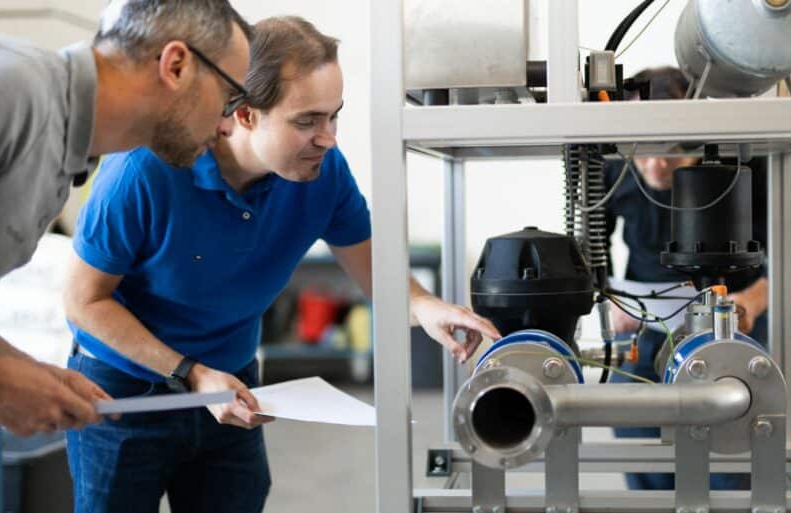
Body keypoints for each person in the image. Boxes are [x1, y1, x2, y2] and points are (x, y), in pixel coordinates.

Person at [62, 16, 501, 513]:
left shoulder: (323, 173)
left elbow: (373, 268)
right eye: (307, 121)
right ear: (244, 114)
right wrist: (191, 373)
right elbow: (82, 300)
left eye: (334, 115)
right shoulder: (144, 171)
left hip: (232, 383)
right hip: (128, 388)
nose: (328, 138)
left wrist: (424, 307)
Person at [0, 0, 252, 437]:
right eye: (229, 96)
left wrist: (24, 371)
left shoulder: (67, 154)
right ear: (176, 65)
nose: (227, 126)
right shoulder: (9, 88)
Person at [603, 67, 791, 490]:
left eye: (674, 149)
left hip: (736, 313)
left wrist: (754, 300)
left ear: (700, 135)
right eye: (644, 150)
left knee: (737, 430)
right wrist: (609, 299)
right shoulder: (613, 169)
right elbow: (589, 245)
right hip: (644, 315)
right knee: (635, 424)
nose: (657, 164)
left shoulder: (745, 163)